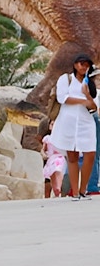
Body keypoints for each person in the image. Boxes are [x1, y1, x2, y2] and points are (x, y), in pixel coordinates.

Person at [50, 52, 98, 200]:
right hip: (68, 121)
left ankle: (84, 189)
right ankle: (75, 192)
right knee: (72, 156)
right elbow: (63, 97)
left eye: (86, 64)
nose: (83, 67)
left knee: (90, 153)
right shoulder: (66, 79)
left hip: (85, 121)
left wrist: (87, 96)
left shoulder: (89, 83)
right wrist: (83, 101)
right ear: (75, 65)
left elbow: (93, 106)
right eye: (81, 63)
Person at [41, 119, 67, 197]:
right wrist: (43, 154)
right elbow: (43, 149)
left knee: (58, 169)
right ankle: (56, 189)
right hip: (51, 158)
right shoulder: (48, 138)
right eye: (52, 124)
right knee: (52, 174)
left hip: (60, 158)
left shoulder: (62, 138)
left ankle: (59, 187)